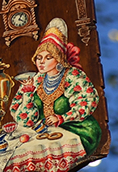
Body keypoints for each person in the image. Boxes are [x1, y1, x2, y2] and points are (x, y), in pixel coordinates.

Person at [9, 17, 102, 155]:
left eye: (48, 58)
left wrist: (62, 118)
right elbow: (24, 120)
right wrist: (28, 94)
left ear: (58, 58)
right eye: (39, 58)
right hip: (46, 136)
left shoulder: (73, 76)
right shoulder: (36, 79)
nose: (41, 62)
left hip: (77, 132)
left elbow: (87, 102)